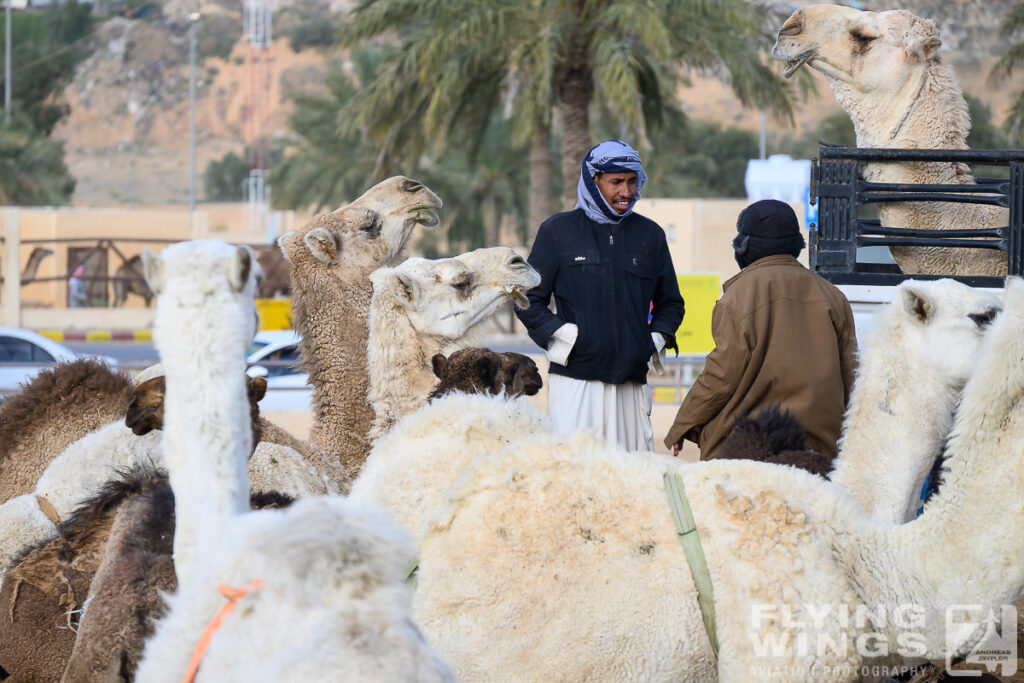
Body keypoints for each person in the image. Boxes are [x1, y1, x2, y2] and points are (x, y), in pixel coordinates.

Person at [517, 139, 685, 451]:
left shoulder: (651, 235)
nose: (627, 193)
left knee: (636, 483)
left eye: (632, 182)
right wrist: (566, 337)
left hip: (632, 387)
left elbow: (671, 304)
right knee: (577, 482)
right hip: (575, 386)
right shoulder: (557, 231)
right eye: (616, 182)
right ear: (594, 181)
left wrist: (650, 342)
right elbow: (527, 298)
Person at [664, 199, 857, 461]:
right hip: (819, 447)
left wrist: (684, 423)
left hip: (748, 448)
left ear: (745, 245)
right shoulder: (833, 297)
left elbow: (721, 376)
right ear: (796, 245)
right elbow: (852, 378)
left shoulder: (737, 298)